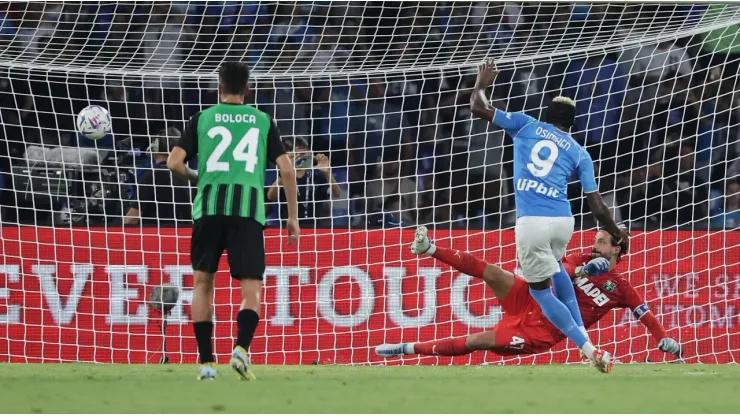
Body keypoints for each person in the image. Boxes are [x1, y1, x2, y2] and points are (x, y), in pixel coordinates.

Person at [469, 59, 629, 373]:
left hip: (532, 222)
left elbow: (477, 106)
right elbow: (597, 207)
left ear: (547, 115)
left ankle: (588, 349)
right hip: (563, 222)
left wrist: (482, 83)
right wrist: (615, 230)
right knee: (556, 270)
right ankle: (586, 339)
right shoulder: (580, 152)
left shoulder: (526, 124)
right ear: (571, 124)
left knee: (540, 291)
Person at [167, 61, 300, 381]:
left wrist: (198, 177)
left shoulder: (202, 118)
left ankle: (206, 364)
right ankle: (241, 348)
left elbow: (173, 162)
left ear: (219, 88)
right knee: (251, 288)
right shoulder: (262, 120)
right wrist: (292, 217)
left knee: (203, 284)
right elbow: (286, 169)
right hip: (248, 212)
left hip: (209, 209)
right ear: (248, 90)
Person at [376, 227, 683, 361]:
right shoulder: (582, 258)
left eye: (602, 242)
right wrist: (583, 269)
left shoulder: (622, 288)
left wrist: (663, 337)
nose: (594, 245)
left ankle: (406, 348)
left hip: (543, 330)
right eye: (596, 239)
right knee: (494, 273)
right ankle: (429, 248)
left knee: (477, 341)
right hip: (534, 298)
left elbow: (645, 314)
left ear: (617, 249)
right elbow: (560, 268)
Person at [123, 127, 193, 226]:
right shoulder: (189, 175)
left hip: (155, 233)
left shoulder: (151, 175)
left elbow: (132, 218)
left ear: (156, 146)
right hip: (185, 232)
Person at [266, 136, 340, 227]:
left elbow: (337, 194)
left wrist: (327, 172)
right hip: (288, 227)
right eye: (296, 155)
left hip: (315, 228)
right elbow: (271, 196)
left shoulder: (316, 176)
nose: (299, 158)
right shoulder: (282, 176)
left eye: (303, 153)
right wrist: (287, 171)